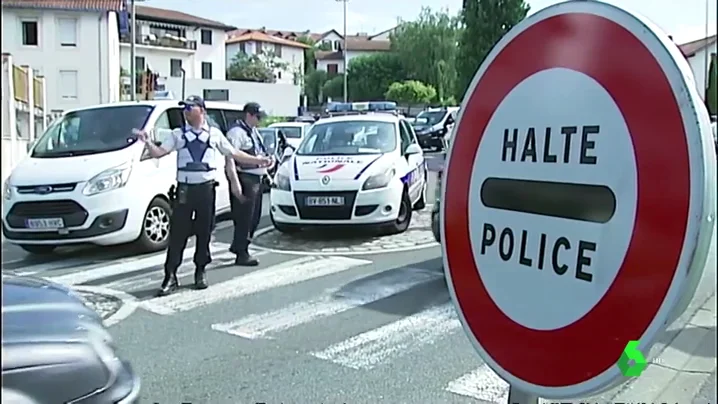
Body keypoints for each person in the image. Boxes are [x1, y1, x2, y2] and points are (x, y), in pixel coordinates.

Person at [134, 96, 272, 296]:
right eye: (185, 109)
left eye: (190, 108)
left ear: (202, 111)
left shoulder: (214, 134)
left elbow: (233, 153)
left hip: (206, 190)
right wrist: (147, 143)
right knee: (178, 234)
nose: (186, 112)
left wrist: (258, 161)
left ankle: (200, 271)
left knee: (204, 232)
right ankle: (171, 275)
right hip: (185, 190)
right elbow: (158, 153)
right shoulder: (178, 134)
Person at [225, 102, 275, 266]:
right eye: (258, 117)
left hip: (256, 178)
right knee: (244, 218)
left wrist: (268, 165)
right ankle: (241, 252)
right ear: (249, 115)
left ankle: (240, 246)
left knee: (254, 218)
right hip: (245, 179)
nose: (260, 120)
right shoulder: (236, 133)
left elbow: (260, 153)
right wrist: (235, 183)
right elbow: (230, 158)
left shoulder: (253, 132)